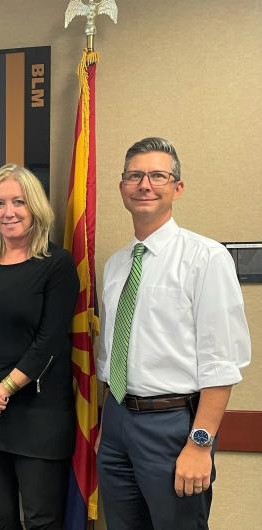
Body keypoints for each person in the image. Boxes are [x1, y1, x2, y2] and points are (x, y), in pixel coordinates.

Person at [96, 137, 251, 530]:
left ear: (176, 188)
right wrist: (108, 428)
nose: (144, 184)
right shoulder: (116, 266)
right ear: (122, 188)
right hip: (116, 425)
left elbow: (222, 362)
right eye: (134, 176)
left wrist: (200, 444)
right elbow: (112, 354)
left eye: (157, 175)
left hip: (173, 426)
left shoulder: (206, 258)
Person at [0, 163, 80, 530]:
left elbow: (48, 342)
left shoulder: (57, 264)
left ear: (35, 207)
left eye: (18, 202)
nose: (9, 212)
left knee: (41, 520)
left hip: (38, 416)